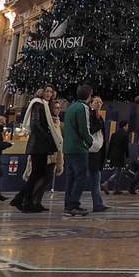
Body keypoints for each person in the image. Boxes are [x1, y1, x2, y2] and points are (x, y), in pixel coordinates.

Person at [11, 86, 59, 213]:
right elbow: (35, 124)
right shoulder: (38, 104)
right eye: (47, 91)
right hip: (38, 144)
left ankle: (22, 199)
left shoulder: (45, 105)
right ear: (42, 92)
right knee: (37, 174)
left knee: (38, 173)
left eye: (51, 91)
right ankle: (24, 201)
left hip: (41, 144)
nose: (49, 93)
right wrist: (48, 136)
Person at [61, 85, 94, 217]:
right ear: (88, 96)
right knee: (81, 176)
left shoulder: (71, 107)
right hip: (78, 147)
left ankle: (68, 204)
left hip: (68, 147)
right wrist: (90, 142)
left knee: (71, 176)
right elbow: (84, 128)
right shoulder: (83, 108)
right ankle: (73, 204)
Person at [85, 93, 108, 213]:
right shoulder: (90, 115)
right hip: (91, 150)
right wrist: (98, 122)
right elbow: (92, 129)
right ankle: (97, 204)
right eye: (96, 101)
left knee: (96, 178)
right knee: (94, 178)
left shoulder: (100, 116)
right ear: (91, 103)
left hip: (98, 151)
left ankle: (98, 203)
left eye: (100, 101)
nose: (99, 103)